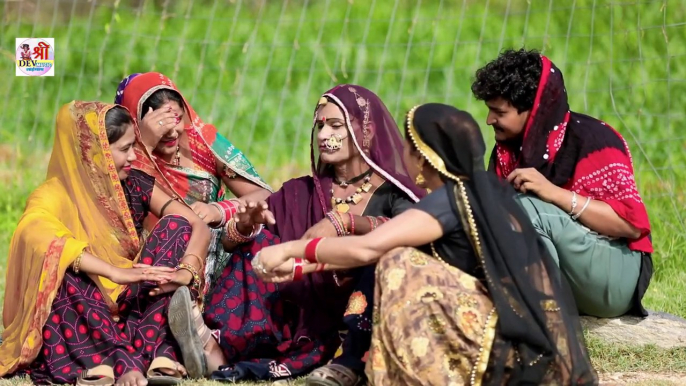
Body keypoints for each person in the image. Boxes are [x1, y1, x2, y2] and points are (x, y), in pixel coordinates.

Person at [251, 103, 599, 386]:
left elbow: (367, 249)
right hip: (529, 340)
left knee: (398, 264)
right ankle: (358, 361)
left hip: (506, 346)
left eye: (407, 146)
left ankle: (382, 366)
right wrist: (301, 268)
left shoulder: (449, 200)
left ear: (423, 156)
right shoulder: (477, 193)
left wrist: (291, 250)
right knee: (395, 256)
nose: (401, 152)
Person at [169, 85, 424, 384]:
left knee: (385, 262)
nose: (323, 135)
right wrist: (246, 225)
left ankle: (349, 357)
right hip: (297, 302)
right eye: (319, 126)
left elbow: (410, 231)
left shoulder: (394, 192)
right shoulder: (298, 191)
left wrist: (344, 222)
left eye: (335, 125)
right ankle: (217, 349)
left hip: (353, 302)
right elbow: (231, 243)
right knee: (259, 245)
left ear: (366, 130)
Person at [0, 101, 212, 386]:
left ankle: (147, 351)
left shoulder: (135, 184)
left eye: (133, 146)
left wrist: (187, 271)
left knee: (175, 225)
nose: (134, 157)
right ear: (93, 152)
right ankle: (122, 359)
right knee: (61, 269)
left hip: (136, 300)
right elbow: (33, 232)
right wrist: (112, 271)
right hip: (87, 304)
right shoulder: (54, 193)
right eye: (125, 149)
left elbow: (195, 223)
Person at [471, 48, 653, 318]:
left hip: (616, 277)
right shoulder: (508, 150)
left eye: (499, 112)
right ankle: (532, 311)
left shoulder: (595, 141)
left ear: (533, 111)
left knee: (525, 209)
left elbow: (631, 225)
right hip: (571, 280)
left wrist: (553, 193)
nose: (489, 120)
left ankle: (544, 324)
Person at [115, 72, 273, 295]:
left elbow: (265, 195)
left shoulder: (204, 142)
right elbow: (118, 211)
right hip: (156, 260)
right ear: (136, 124)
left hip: (217, 250)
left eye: (177, 118)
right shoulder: (124, 159)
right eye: (160, 123)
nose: (172, 131)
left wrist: (217, 210)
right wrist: (145, 146)